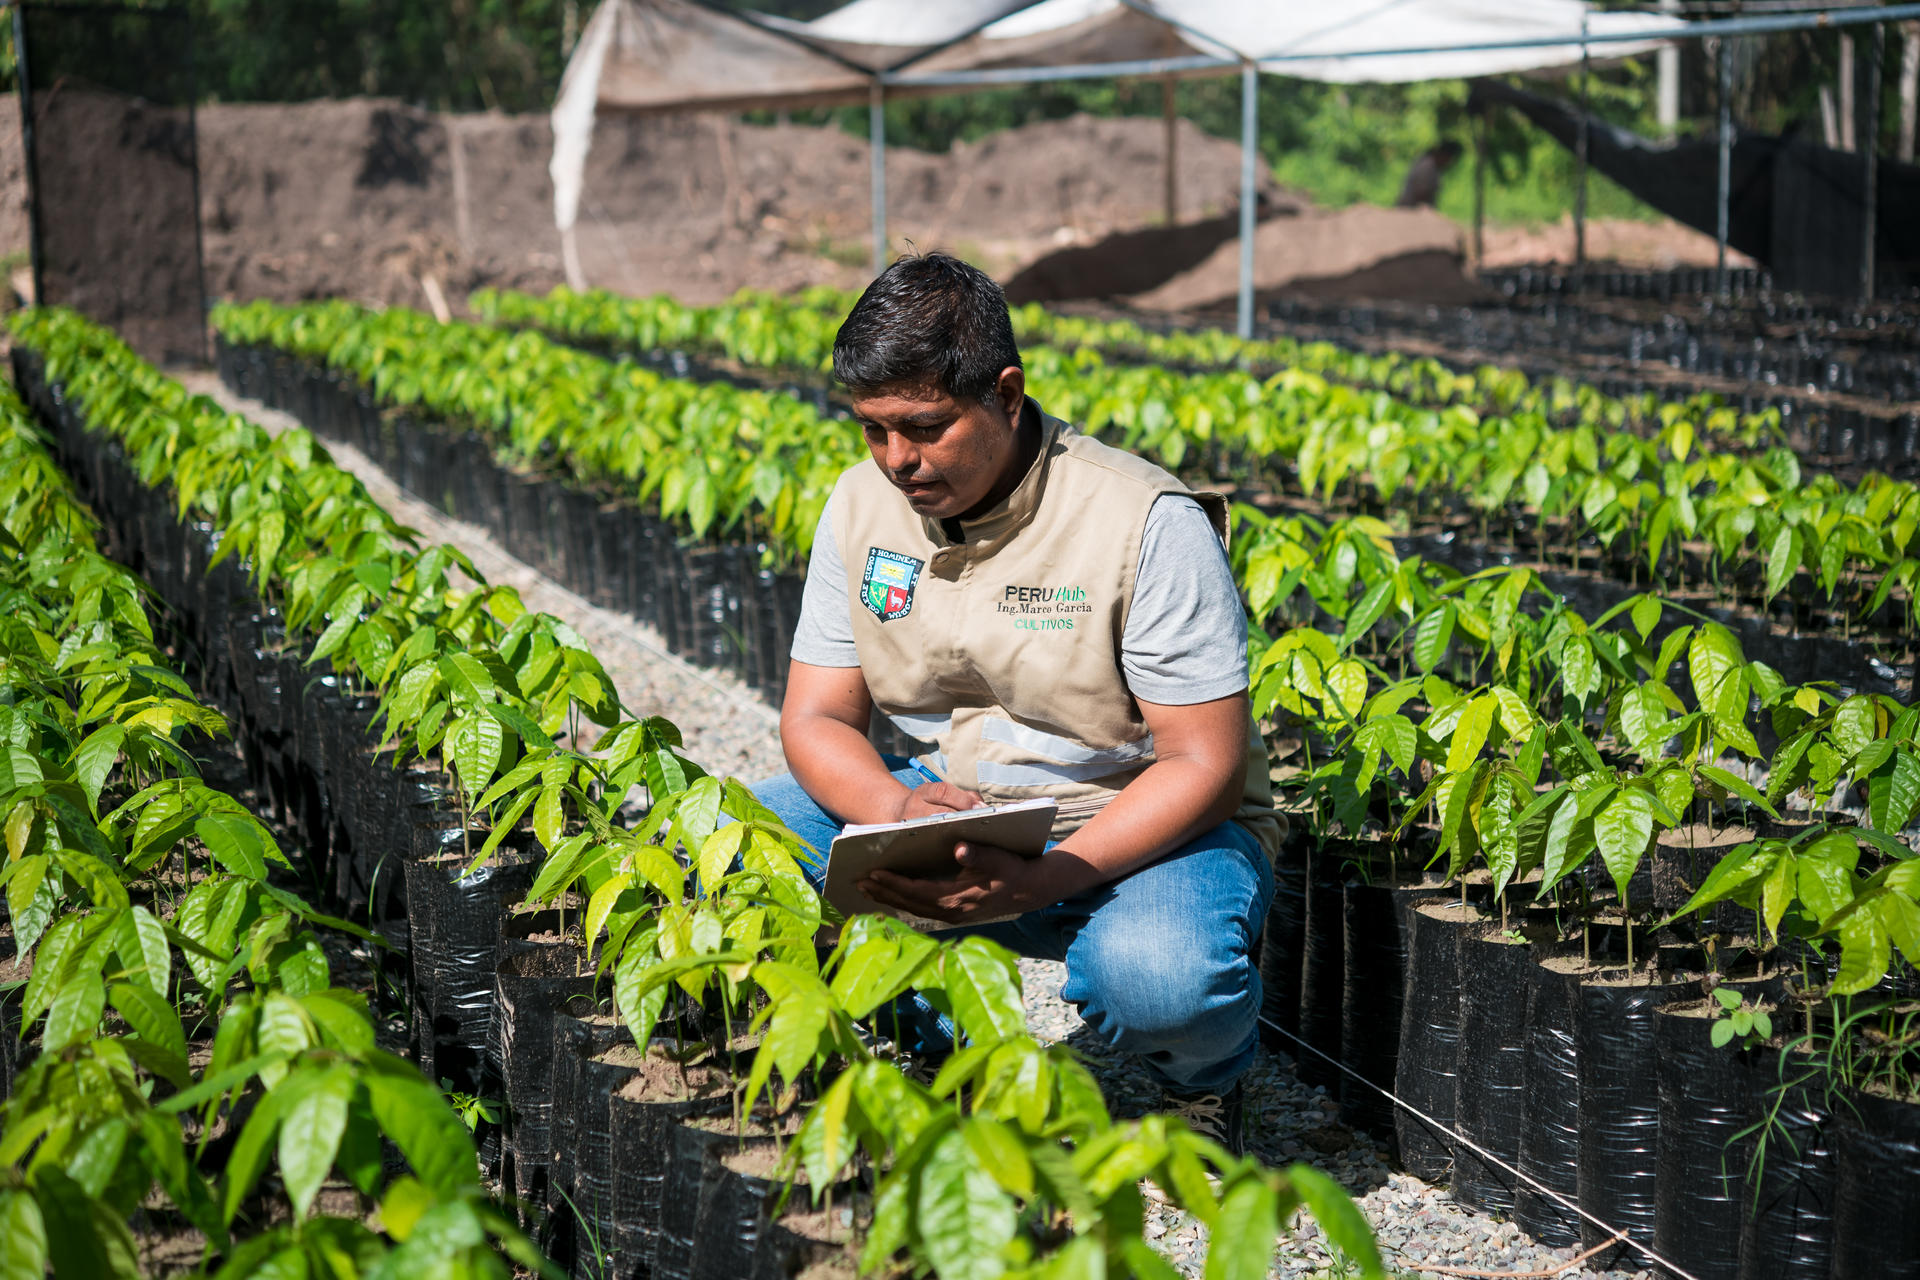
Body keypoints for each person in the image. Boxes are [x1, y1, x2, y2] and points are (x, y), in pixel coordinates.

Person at [752, 253, 1281, 1154]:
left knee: (1160, 980)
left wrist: (1049, 877)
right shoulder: (857, 508)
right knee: (741, 845)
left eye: (924, 428)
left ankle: (1200, 1084)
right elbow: (814, 719)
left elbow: (1206, 765)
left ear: (1005, 393)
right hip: (949, 798)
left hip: (1131, 821)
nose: (897, 462)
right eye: (874, 431)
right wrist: (894, 807)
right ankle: (939, 1052)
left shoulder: (1142, 521)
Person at [1396, 139, 1464, 208]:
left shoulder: (1433, 167)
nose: (1449, 163)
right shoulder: (1427, 166)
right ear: (1444, 155)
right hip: (1410, 211)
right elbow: (1421, 193)